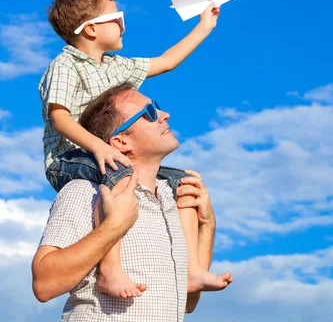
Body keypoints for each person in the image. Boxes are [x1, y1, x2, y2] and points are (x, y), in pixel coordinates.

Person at [38, 0, 226, 298]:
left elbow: (166, 62)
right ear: (91, 29)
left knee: (182, 183)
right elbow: (60, 117)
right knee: (119, 176)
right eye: (117, 17)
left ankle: (191, 270)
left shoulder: (116, 67)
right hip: (70, 158)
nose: (123, 23)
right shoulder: (64, 66)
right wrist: (98, 146)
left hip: (108, 154)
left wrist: (205, 25)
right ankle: (110, 271)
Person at [32, 83, 233, 320]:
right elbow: (44, 284)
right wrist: (114, 226)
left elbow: (189, 300)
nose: (164, 115)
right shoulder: (87, 191)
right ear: (120, 142)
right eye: (149, 112)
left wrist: (207, 225)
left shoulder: (174, 200)